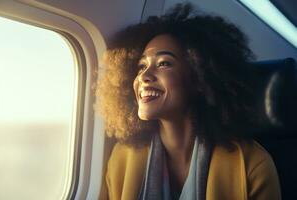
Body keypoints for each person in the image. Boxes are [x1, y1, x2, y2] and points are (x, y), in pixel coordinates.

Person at [96, 3, 281, 200]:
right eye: (141, 66)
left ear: (200, 79)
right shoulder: (121, 158)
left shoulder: (252, 164)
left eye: (164, 63)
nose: (144, 76)